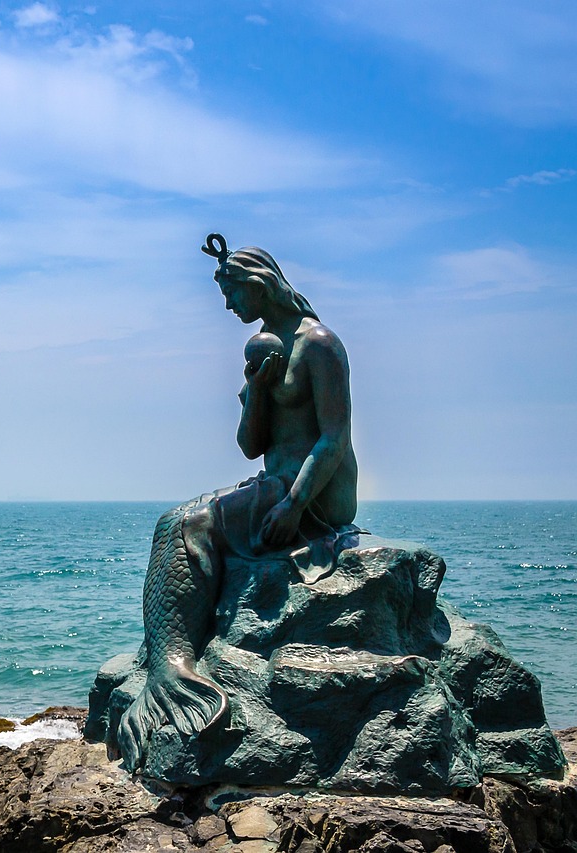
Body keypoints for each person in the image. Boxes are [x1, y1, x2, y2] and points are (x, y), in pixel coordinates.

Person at [116, 234, 359, 774]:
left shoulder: (320, 343)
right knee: (174, 523)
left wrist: (295, 506)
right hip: (275, 481)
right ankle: (171, 663)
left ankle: (172, 666)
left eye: (230, 293)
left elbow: (334, 438)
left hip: (317, 493)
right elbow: (251, 446)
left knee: (185, 522)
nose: (228, 307)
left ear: (256, 284)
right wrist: (255, 389)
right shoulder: (264, 349)